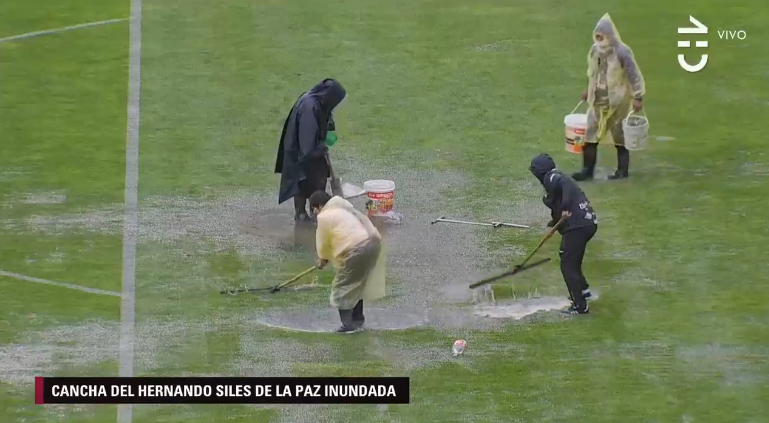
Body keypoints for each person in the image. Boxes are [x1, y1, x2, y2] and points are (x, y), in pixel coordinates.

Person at [572, 13, 645, 182]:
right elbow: (593, 73)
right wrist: (588, 91)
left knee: (620, 138)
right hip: (598, 102)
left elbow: (634, 75)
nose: (599, 39)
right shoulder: (596, 50)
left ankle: (622, 171)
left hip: (618, 102)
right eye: (597, 36)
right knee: (589, 135)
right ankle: (587, 170)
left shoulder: (622, 52)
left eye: (601, 36)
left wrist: (638, 96)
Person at [530, 153, 598, 315]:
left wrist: (566, 207)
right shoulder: (552, 182)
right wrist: (554, 223)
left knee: (567, 266)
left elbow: (565, 185)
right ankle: (584, 290)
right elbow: (557, 207)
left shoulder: (552, 177)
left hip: (578, 227)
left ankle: (580, 306)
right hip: (587, 224)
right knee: (570, 260)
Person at [310, 191, 386, 332]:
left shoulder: (325, 216)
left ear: (320, 206)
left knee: (342, 288)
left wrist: (322, 258)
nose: (315, 212)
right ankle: (358, 320)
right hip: (373, 244)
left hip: (356, 248)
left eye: (314, 209)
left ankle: (348, 326)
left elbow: (323, 243)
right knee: (358, 283)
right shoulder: (344, 206)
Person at [275, 79, 347, 223]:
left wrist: (325, 133)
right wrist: (322, 147)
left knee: (306, 180)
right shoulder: (309, 107)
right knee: (307, 179)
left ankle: (307, 213)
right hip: (303, 153)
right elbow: (307, 145)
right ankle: (308, 214)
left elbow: (320, 123)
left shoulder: (315, 100)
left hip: (302, 151)